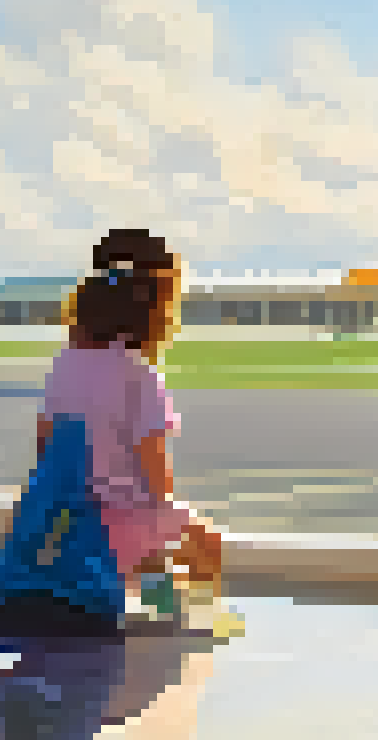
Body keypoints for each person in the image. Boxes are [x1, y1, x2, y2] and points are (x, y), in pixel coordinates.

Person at [35, 228, 238, 637]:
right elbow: (155, 465)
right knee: (202, 540)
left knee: (145, 544)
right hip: (124, 520)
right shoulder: (140, 375)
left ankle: (141, 596)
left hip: (74, 520)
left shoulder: (64, 365)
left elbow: (45, 442)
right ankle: (200, 615)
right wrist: (163, 513)